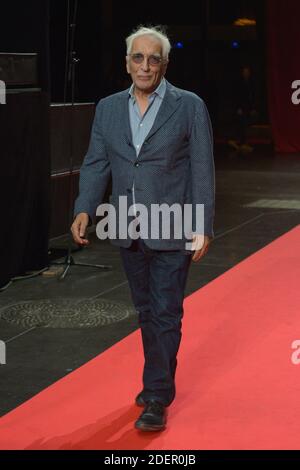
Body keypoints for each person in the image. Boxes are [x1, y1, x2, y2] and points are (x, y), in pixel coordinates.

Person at [71, 26, 215, 432]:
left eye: (154, 58)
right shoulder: (108, 108)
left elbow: (203, 168)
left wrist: (202, 225)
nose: (145, 65)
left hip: (173, 225)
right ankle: (160, 375)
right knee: (147, 311)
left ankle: (156, 395)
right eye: (138, 57)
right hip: (127, 225)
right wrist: (85, 208)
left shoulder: (188, 106)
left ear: (164, 65)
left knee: (167, 310)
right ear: (127, 63)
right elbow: (97, 162)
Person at [228, 65, 257, 153]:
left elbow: (251, 97)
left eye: (247, 72)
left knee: (248, 122)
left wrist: (252, 108)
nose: (246, 74)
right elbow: (237, 97)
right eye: (245, 72)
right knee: (242, 122)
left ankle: (241, 141)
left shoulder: (250, 83)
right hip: (241, 108)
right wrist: (238, 108)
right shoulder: (239, 83)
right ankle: (241, 142)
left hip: (248, 107)